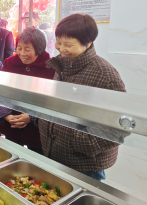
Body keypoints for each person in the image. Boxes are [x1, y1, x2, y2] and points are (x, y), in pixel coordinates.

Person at [36, 14, 126, 181]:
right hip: (54, 152)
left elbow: (120, 124)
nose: (61, 49)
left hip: (84, 163)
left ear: (88, 43)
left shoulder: (104, 74)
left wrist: (80, 142)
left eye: (68, 45)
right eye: (58, 42)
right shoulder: (63, 65)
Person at [0, 28, 55, 155]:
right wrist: (6, 115)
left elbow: (50, 101)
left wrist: (31, 117)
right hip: (11, 126)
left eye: (27, 49)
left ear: (39, 49)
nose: (22, 53)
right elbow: (0, 91)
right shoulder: (9, 63)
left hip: (37, 131)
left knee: (37, 164)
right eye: (19, 48)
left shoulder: (51, 68)